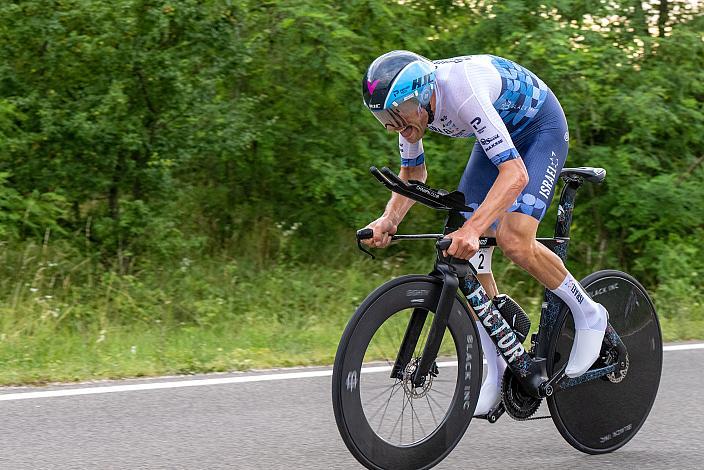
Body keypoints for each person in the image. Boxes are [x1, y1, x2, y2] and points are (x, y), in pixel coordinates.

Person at [360, 50, 608, 416]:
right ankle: (501, 368)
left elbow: (516, 175)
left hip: (540, 128)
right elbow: (413, 174)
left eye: (396, 114)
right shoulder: (412, 114)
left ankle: (589, 313)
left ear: (422, 94)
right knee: (466, 257)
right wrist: (388, 220)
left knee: (513, 239)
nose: (392, 125)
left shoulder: (462, 93)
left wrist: (475, 229)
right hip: (500, 133)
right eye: (383, 117)